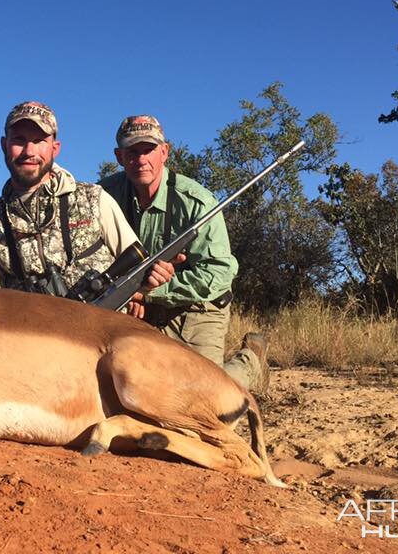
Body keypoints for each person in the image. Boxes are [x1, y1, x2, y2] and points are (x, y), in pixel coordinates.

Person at [99, 114, 270, 393]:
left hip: (195, 308)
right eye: (132, 152)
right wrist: (127, 294)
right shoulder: (103, 196)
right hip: (133, 306)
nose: (141, 159)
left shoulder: (197, 202)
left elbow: (219, 273)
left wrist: (150, 292)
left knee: (204, 395)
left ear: (164, 151)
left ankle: (250, 362)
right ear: (119, 156)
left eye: (149, 150)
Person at [0, 102, 175, 300]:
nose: (29, 151)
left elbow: (138, 269)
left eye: (40, 140)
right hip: (31, 333)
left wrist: (149, 281)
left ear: (55, 148)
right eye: (19, 140)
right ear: (4, 145)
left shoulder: (93, 198)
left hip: (105, 328)